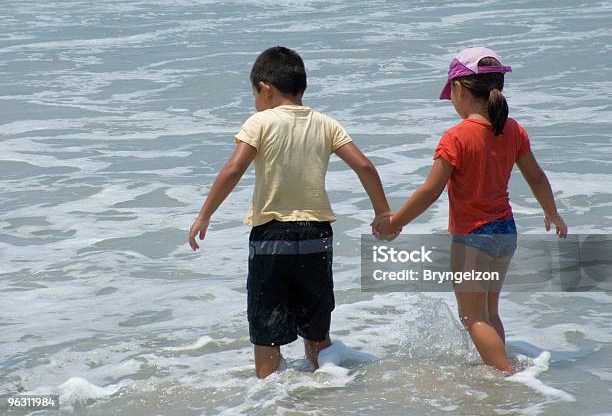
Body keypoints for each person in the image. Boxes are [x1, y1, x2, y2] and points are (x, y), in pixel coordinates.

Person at [189, 46, 394, 379]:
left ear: (265, 88)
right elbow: (365, 167)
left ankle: (272, 401)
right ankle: (327, 388)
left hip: (272, 237)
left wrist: (205, 214)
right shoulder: (327, 124)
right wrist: (383, 214)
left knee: (268, 341)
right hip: (317, 237)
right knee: (317, 336)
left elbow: (233, 169)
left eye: (254, 93)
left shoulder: (260, 122)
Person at [373, 46, 568, 375]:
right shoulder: (512, 129)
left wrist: (395, 221)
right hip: (506, 232)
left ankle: (507, 376)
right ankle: (505, 370)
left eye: (451, 93)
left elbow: (430, 190)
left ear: (461, 89)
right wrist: (552, 212)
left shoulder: (457, 137)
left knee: (472, 316)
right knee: (489, 312)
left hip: (474, 238)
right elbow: (536, 176)